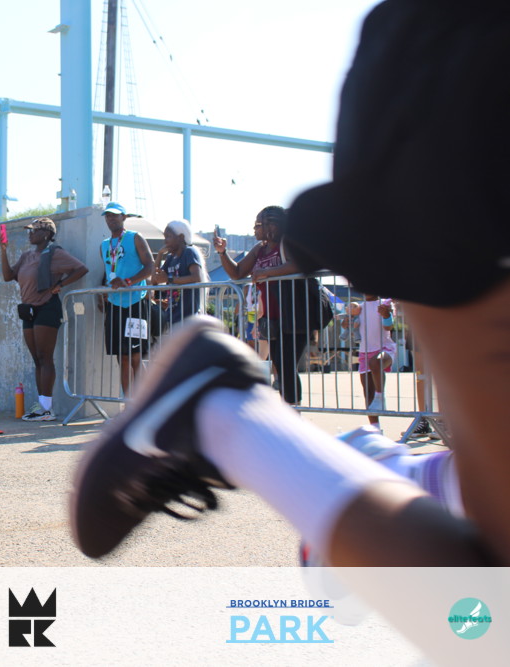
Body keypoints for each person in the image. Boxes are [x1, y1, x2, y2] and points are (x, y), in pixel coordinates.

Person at [72, 0, 510, 599]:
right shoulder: (245, 249)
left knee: (484, 575)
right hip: (465, 96)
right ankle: (240, 424)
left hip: (447, 125)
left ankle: (341, 471)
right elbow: (237, 273)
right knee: (487, 586)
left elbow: (266, 268)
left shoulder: (183, 252)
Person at [213, 206, 306, 405]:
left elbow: (300, 264)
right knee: (280, 364)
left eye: (258, 225)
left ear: (272, 226)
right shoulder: (259, 249)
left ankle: (292, 410)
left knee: (286, 364)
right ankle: (290, 409)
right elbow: (237, 272)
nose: (254, 229)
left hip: (293, 313)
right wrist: (222, 253)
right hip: (272, 317)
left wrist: (268, 272)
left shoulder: (286, 244)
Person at [0, 217, 89, 421]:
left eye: (34, 230)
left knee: (44, 357)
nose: (30, 234)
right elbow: (8, 276)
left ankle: (47, 409)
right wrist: (3, 250)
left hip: (47, 307)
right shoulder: (26, 256)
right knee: (36, 359)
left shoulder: (55, 253)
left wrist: (61, 284)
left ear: (47, 234)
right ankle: (42, 408)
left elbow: (81, 269)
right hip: (28, 309)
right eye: (29, 231)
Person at [99, 202, 155, 399]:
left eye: (115, 215)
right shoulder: (104, 245)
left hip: (135, 303)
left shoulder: (135, 237)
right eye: (107, 215)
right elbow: (109, 272)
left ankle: (143, 402)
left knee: (136, 357)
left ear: (124, 217)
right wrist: (103, 292)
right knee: (122, 358)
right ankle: (128, 404)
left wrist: (129, 281)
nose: (111, 219)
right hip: (115, 305)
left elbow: (150, 267)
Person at [151, 219, 209, 331]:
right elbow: (154, 280)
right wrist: (159, 255)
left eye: (168, 237)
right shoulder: (170, 258)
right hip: (173, 315)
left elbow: (196, 277)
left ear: (181, 237)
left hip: (188, 316)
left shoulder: (189, 252)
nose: (165, 241)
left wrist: (169, 279)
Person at [354, 295, 396, 427]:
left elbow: (388, 327)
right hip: (364, 351)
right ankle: (375, 429)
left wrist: (386, 315)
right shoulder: (359, 307)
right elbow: (350, 327)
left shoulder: (384, 303)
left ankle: (380, 396)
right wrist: (346, 324)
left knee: (375, 363)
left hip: (385, 348)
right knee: (368, 392)